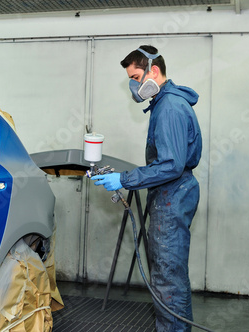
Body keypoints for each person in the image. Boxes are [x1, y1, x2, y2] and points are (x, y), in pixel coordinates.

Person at [92, 45, 202, 332]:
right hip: (170, 194)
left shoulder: (169, 107)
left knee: (167, 278)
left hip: (172, 195)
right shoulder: (165, 104)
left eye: (137, 76)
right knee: (171, 276)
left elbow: (171, 165)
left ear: (154, 71)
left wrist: (124, 180)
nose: (134, 85)